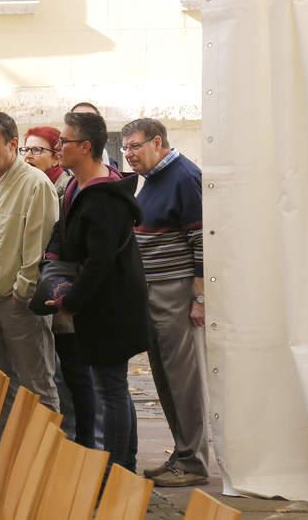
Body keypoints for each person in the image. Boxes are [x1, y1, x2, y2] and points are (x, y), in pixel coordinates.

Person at [45, 111, 149, 472]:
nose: (59, 146)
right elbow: (66, 232)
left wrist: (70, 301)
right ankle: (124, 467)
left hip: (113, 307)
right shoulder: (77, 186)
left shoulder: (104, 198)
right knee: (111, 386)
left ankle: (117, 471)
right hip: (99, 305)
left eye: (65, 141)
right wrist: (53, 256)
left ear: (86, 147)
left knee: (111, 390)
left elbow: (99, 264)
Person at [121, 118, 208, 486]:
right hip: (153, 290)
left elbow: (202, 239)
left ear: (158, 142)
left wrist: (200, 298)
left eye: (135, 147)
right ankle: (181, 454)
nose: (129, 155)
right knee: (165, 377)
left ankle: (194, 462)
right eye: (125, 148)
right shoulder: (154, 178)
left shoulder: (185, 176)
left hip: (175, 291)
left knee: (182, 380)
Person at [0, 112, 61, 425]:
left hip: (19, 303)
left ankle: (44, 466)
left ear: (13, 144)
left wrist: (23, 292)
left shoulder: (36, 184)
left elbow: (39, 246)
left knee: (37, 386)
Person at [21, 125, 95, 448]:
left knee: (76, 374)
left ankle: (84, 445)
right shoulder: (27, 186)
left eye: (37, 150)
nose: (29, 156)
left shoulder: (67, 188)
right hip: (41, 296)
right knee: (54, 373)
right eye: (26, 150)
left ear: (55, 155)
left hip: (66, 295)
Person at [21, 126, 72, 199]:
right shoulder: (23, 186)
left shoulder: (68, 191)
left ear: (56, 158)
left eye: (36, 150)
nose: (27, 155)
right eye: (26, 150)